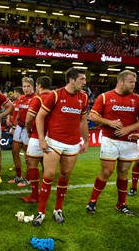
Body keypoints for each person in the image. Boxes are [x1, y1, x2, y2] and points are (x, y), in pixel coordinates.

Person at [86, 70, 139, 216]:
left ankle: (121, 204)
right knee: (107, 171)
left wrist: (129, 129)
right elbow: (93, 115)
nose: (134, 85)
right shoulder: (105, 97)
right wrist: (110, 123)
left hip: (129, 141)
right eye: (130, 82)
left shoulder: (138, 99)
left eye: (134, 82)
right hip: (110, 139)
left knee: (123, 172)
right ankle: (92, 201)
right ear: (120, 82)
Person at [32, 68, 89, 226]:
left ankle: (58, 209)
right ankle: (41, 211)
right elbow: (40, 117)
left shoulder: (83, 98)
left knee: (64, 176)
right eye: (82, 79)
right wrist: (42, 139)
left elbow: (83, 121)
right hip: (54, 142)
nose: (84, 82)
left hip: (72, 144)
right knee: (49, 175)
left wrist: (86, 140)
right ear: (71, 80)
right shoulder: (55, 94)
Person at [21, 76, 52, 203]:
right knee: (48, 167)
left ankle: (35, 195)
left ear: (38, 85)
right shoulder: (56, 97)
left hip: (37, 136)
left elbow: (28, 120)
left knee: (32, 165)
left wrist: (28, 131)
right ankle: (46, 193)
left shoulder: (37, 99)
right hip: (52, 137)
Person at [8, 77, 36, 186]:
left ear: (33, 87)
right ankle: (18, 176)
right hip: (20, 127)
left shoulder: (36, 98)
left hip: (29, 128)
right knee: (14, 151)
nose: (26, 88)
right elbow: (19, 113)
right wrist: (15, 126)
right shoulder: (22, 98)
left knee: (28, 155)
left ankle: (28, 178)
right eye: (24, 86)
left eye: (28, 86)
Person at [7, 86, 24, 171]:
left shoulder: (23, 102)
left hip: (20, 127)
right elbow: (10, 112)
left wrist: (14, 126)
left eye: (14, 92)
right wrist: (8, 119)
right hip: (13, 127)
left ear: (17, 92)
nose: (13, 94)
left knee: (24, 148)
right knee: (13, 147)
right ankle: (16, 164)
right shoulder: (14, 102)